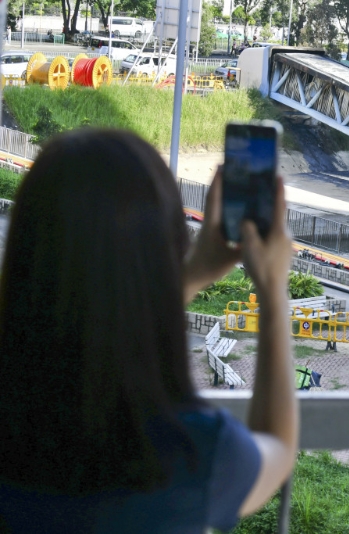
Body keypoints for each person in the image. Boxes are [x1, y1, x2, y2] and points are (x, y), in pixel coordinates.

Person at [0, 129, 298, 533]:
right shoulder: (194, 454)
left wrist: (191, 274)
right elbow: (278, 447)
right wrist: (273, 289)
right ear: (167, 248)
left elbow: (94, 316)